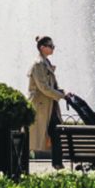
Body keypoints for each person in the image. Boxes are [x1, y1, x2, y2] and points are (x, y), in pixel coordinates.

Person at [28, 36, 68, 169]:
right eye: (50, 46)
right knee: (35, 137)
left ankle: (57, 163)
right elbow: (43, 87)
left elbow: (50, 86)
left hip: (50, 104)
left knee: (56, 133)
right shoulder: (38, 64)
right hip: (42, 105)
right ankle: (22, 163)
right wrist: (61, 95)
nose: (53, 48)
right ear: (42, 47)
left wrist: (62, 92)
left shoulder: (45, 62)